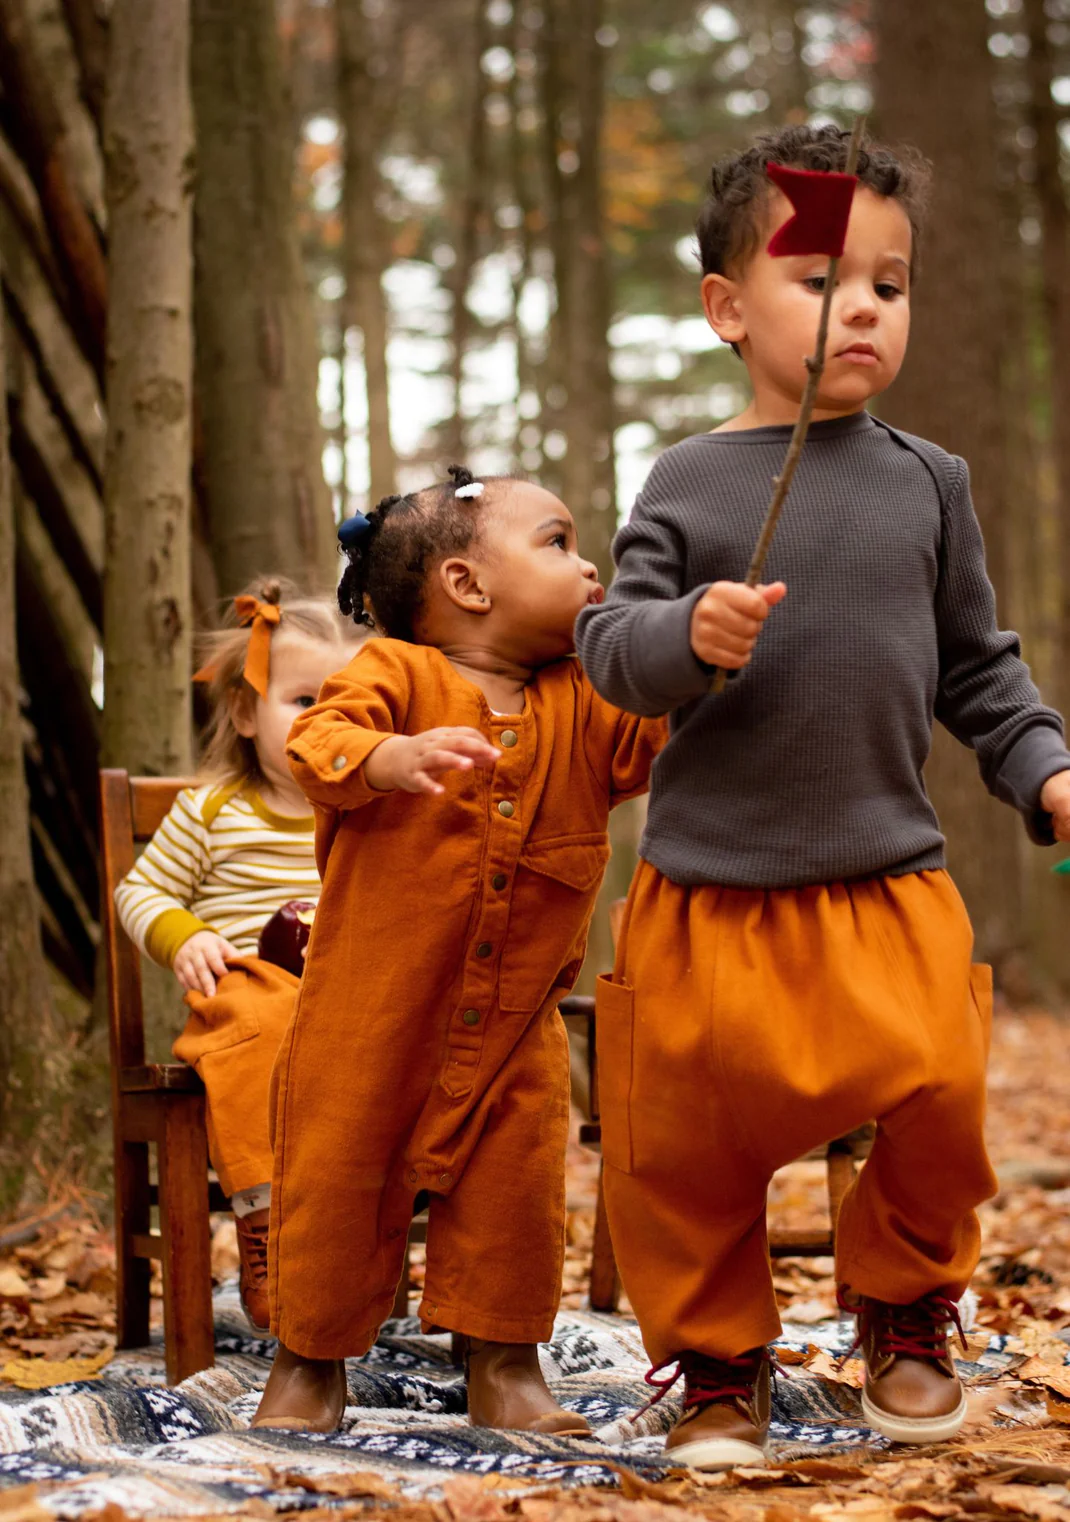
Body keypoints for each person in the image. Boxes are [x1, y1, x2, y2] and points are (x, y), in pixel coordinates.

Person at [574, 124, 1070, 1469]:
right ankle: (718, 1362)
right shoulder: (684, 479)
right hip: (709, 895)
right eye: (819, 277)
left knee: (939, 1098)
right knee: (682, 1145)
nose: (860, 304)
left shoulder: (929, 483)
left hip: (884, 880)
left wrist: (1046, 772)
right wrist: (689, 633)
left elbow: (981, 670)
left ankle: (905, 1316)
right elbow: (608, 647)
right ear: (727, 309)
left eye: (887, 284)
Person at [252, 466, 666, 1436]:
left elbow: (652, 738)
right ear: (466, 585)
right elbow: (319, 740)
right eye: (558, 542)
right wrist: (389, 758)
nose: (589, 563)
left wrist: (697, 661)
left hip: (519, 1017)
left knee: (514, 1189)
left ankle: (505, 1367)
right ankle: (308, 1361)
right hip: (371, 1011)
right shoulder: (396, 673)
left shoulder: (584, 696)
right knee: (335, 1176)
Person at [115, 581, 359, 1332]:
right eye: (301, 702)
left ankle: (361, 1244)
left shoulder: (371, 813)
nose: (324, 724)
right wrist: (186, 937)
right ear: (249, 713)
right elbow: (140, 892)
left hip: (344, 1008)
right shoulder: (213, 810)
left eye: (345, 707)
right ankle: (267, 1230)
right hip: (240, 1008)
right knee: (262, 1013)